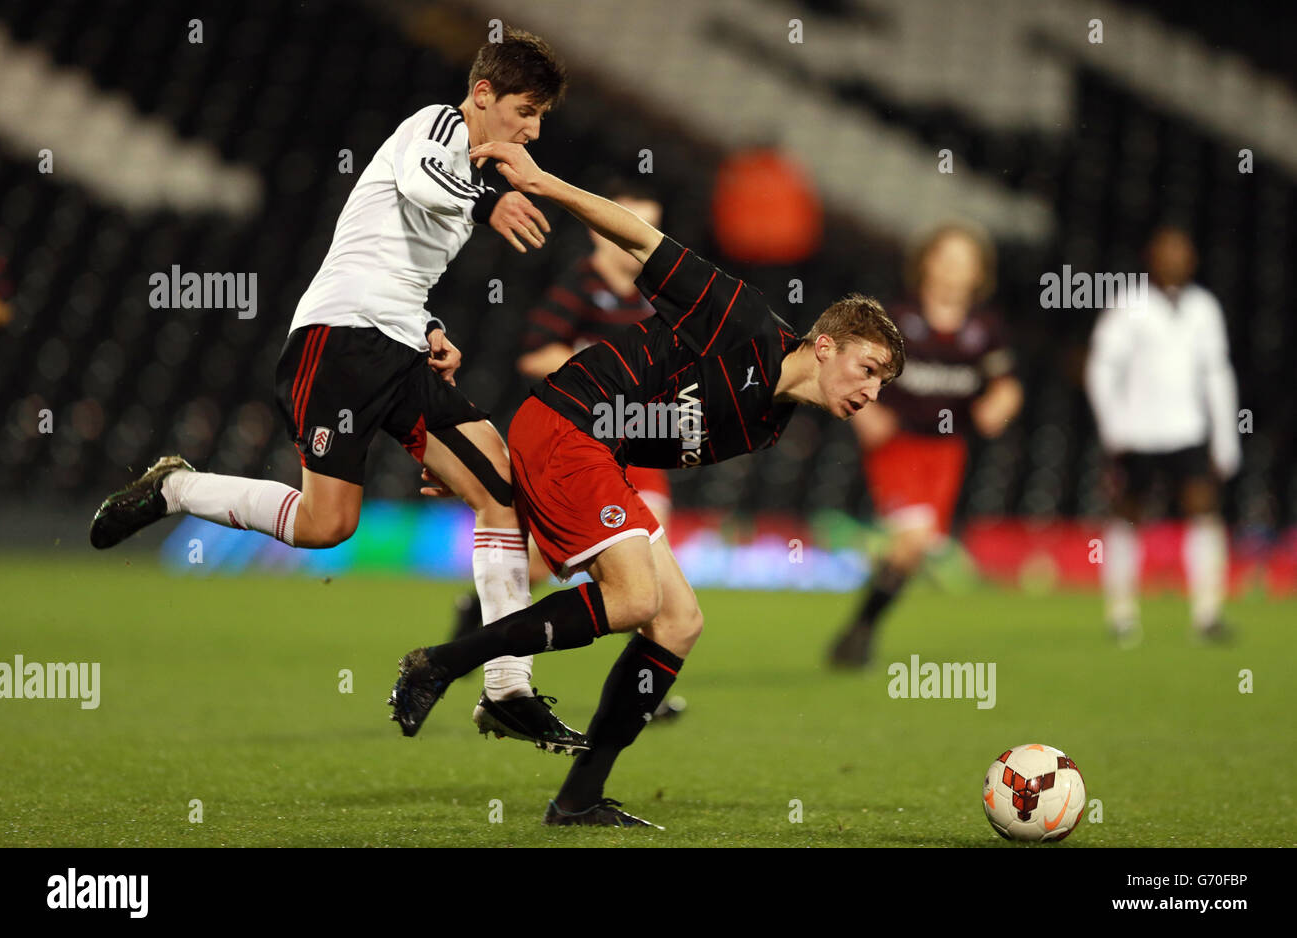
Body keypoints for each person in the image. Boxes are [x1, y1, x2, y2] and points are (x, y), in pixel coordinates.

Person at [88, 28, 588, 752]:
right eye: (526, 110)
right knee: (329, 527)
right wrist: (488, 206)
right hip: (339, 340)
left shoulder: (466, 168)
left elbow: (397, 261)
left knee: (502, 488)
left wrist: (433, 330)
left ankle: (507, 689)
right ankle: (176, 491)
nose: (533, 130)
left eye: (541, 117)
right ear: (484, 95)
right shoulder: (437, 126)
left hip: (396, 342)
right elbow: (420, 186)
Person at [388, 141, 906, 828]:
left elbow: (644, 434)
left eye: (883, 382)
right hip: (569, 423)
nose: (871, 391)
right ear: (826, 346)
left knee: (680, 622)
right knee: (633, 597)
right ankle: (442, 664)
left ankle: (576, 800)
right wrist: (548, 182)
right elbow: (640, 237)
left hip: (592, 449)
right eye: (867, 369)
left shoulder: (771, 423)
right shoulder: (743, 321)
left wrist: (497, 476)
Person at [445, 181, 686, 722]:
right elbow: (534, 357)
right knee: (547, 568)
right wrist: (606, 366)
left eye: (648, 230)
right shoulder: (578, 288)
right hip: (582, 441)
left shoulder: (660, 296)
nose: (637, 241)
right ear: (600, 232)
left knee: (644, 570)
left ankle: (644, 687)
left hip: (637, 443)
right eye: (628, 227)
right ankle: (473, 635)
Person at [827, 223, 1022, 667]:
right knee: (914, 540)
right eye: (946, 259)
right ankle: (860, 637)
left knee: (913, 550)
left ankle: (860, 629)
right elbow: (850, 370)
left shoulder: (984, 328)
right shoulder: (896, 319)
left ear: (979, 274)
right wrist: (865, 412)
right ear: (926, 264)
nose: (954, 271)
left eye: (964, 263)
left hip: (948, 451)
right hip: (899, 447)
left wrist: (1000, 404)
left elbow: (1007, 386)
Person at [1085, 225, 1240, 645]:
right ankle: (1121, 615)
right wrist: (1112, 425)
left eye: (1181, 251)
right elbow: (1101, 366)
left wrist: (1226, 436)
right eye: (1165, 251)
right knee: (1127, 516)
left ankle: (1208, 614)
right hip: (1137, 433)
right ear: (1149, 258)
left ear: (1193, 259)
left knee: (1203, 511)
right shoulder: (1129, 305)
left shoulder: (1204, 308)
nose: (1173, 259)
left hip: (1186, 429)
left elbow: (1217, 373)